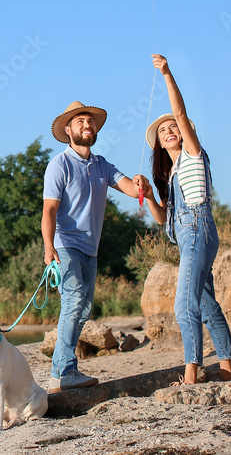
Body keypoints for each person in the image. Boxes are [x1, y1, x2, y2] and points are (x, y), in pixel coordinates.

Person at [139, 55, 231, 385]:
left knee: (184, 306)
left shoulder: (193, 154)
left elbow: (179, 112)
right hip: (189, 237)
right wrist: (150, 196)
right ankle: (226, 372)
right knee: (207, 305)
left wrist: (167, 73)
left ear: (185, 132)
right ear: (158, 144)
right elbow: (164, 219)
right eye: (162, 131)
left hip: (198, 230)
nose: (169, 131)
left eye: (173, 128)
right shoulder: (173, 175)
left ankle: (191, 375)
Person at [42, 101, 147, 392]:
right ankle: (61, 373)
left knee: (83, 309)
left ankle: (67, 372)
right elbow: (49, 211)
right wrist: (48, 247)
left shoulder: (102, 165)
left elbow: (128, 187)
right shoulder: (58, 165)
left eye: (90, 122)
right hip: (65, 245)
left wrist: (140, 184)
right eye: (80, 122)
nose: (86, 126)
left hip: (91, 249)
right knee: (74, 301)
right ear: (68, 129)